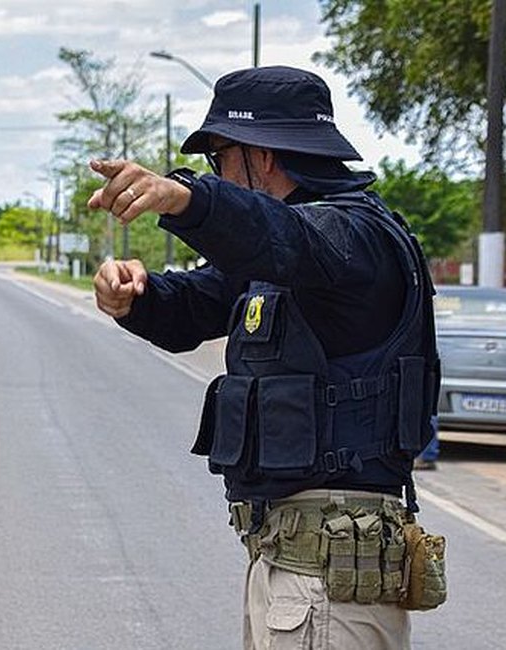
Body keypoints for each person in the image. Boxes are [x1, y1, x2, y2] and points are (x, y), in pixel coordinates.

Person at [89, 66, 440, 649]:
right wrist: (133, 298)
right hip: (290, 568)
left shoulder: (351, 237)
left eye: (220, 159)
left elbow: (284, 237)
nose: (217, 173)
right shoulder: (281, 252)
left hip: (332, 578)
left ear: (262, 156)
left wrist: (189, 199)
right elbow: (198, 305)